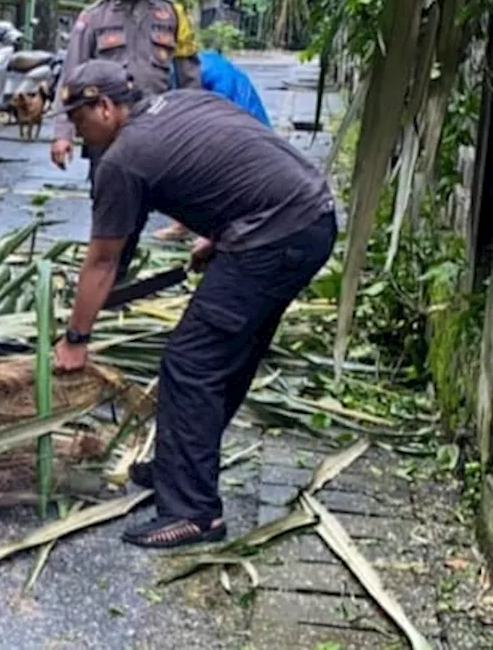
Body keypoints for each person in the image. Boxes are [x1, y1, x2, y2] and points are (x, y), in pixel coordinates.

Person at [52, 59, 336, 550]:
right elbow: (235, 156)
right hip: (309, 218)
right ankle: (177, 469)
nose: (76, 132)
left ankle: (194, 512)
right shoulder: (178, 101)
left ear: (104, 107)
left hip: (274, 236)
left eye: (78, 118)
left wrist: (76, 339)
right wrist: (223, 232)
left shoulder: (123, 159)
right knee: (230, 355)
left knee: (191, 362)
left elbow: (102, 261)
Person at [49, 0, 202, 277]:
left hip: (155, 131)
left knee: (148, 203)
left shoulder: (172, 16)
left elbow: (191, 78)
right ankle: (105, 274)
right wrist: (62, 134)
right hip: (106, 134)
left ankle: (119, 272)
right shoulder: (93, 17)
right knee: (108, 207)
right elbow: (70, 76)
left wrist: (192, 130)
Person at [153, 48, 270, 240]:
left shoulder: (212, 73)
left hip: (242, 130)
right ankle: (186, 224)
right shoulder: (192, 67)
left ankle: (214, 229)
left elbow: (219, 114)